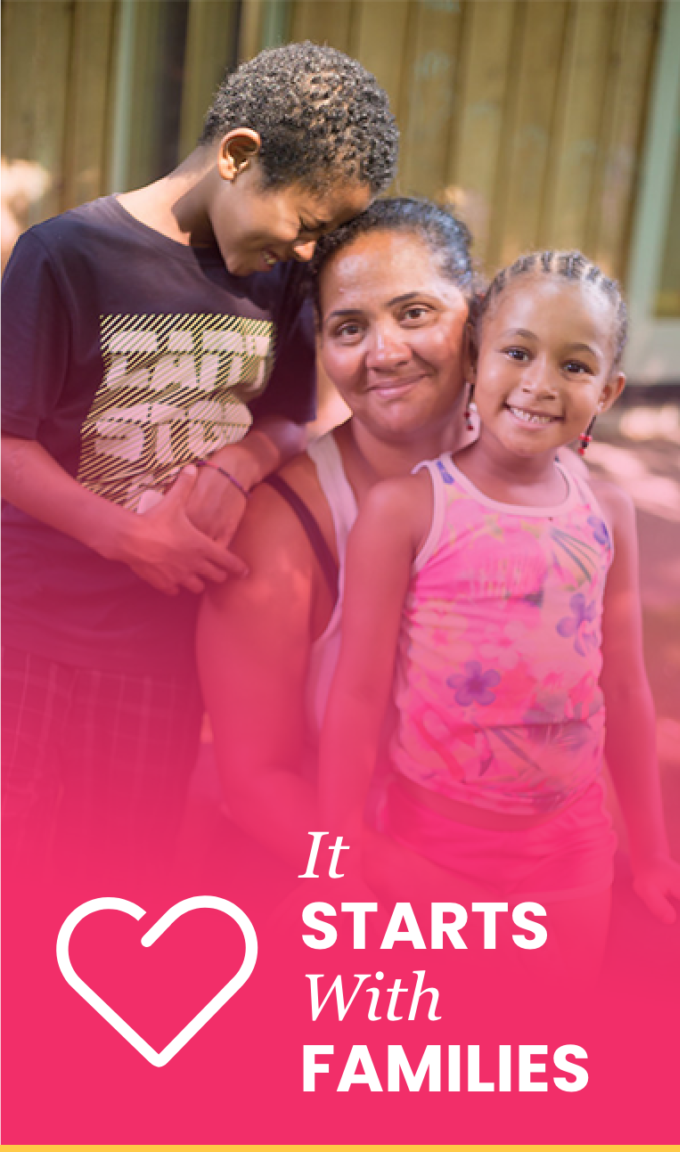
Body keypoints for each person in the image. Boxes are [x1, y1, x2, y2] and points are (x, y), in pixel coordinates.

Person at [0, 42, 398, 861]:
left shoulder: (278, 280)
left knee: (121, 864)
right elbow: (6, 443)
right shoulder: (65, 255)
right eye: (304, 224)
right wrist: (126, 537)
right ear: (238, 155)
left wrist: (235, 466)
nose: (304, 252)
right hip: (30, 629)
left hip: (160, 647)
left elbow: (292, 417)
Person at [319, 249, 680, 980]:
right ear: (475, 360)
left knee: (545, 1044)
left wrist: (654, 856)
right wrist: (336, 854)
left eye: (575, 367)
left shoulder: (608, 513)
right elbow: (357, 694)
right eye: (518, 352)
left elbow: (628, 690)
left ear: (608, 391)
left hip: (572, 849)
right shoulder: (407, 510)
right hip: (427, 843)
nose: (541, 384)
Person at [196, 198, 477, 874]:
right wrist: (418, 891)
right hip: (344, 870)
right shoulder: (278, 530)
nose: (384, 353)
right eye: (350, 328)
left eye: (415, 313)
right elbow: (256, 785)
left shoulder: (540, 482)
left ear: (478, 312)